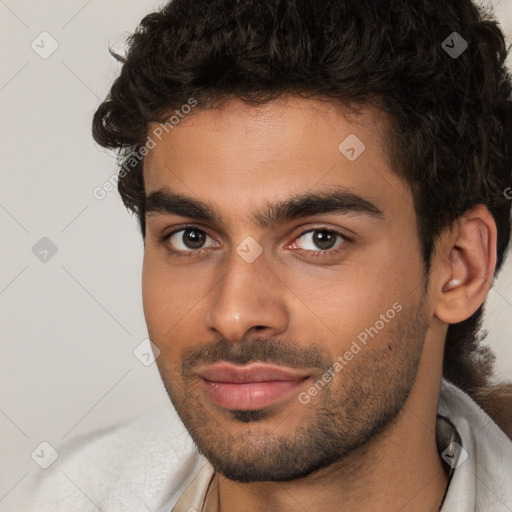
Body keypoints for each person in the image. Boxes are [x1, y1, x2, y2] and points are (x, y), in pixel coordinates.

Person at [11, 0, 512, 510]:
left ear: (460, 268)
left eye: (320, 239)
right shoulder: (67, 496)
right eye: (191, 237)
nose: (233, 315)